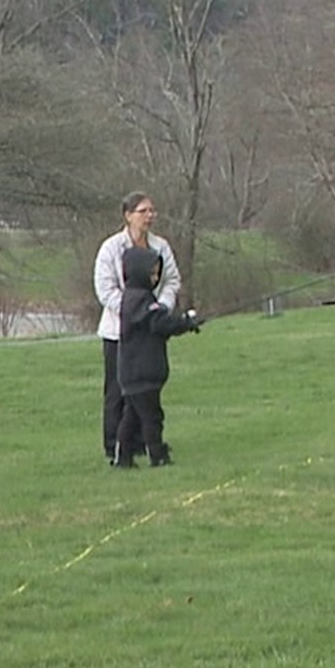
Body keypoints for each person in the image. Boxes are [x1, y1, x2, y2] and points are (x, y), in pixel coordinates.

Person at [94, 192, 180, 465]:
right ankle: (115, 445)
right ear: (128, 215)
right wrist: (135, 310)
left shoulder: (160, 247)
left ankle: (144, 442)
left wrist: (158, 309)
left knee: (146, 390)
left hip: (151, 330)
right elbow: (105, 289)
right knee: (118, 390)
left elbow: (172, 281)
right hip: (119, 331)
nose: (149, 216)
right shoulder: (111, 248)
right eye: (143, 211)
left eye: (152, 211)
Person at [114, 246, 200, 468]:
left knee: (132, 417)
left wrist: (185, 323)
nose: (155, 278)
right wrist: (185, 323)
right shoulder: (140, 301)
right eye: (151, 273)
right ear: (138, 273)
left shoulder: (134, 299)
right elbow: (161, 323)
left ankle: (123, 457)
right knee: (152, 417)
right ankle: (157, 455)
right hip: (141, 373)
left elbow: (159, 320)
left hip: (134, 373)